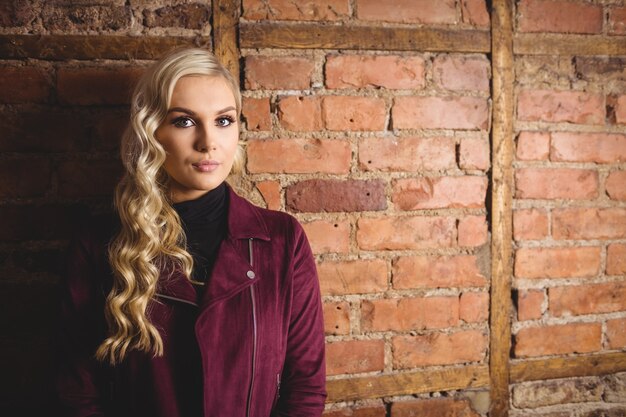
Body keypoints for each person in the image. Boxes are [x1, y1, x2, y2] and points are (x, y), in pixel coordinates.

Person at [57, 47, 326, 417]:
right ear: (152, 131)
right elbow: (79, 392)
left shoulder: (282, 240)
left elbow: (305, 387)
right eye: (185, 121)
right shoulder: (100, 243)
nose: (208, 142)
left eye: (224, 121)